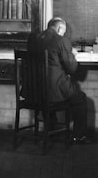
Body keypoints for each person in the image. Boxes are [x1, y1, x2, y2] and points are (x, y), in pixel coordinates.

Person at [27, 16, 93, 144]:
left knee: (47, 95)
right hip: (53, 89)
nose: (64, 34)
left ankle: (50, 129)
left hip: (34, 89)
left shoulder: (33, 39)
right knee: (80, 98)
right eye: (63, 31)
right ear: (59, 28)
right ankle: (79, 136)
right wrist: (72, 54)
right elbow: (72, 68)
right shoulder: (61, 41)